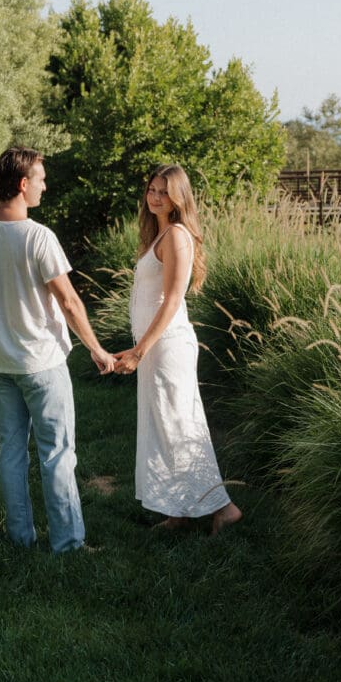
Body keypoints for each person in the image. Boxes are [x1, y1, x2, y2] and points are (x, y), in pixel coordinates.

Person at [0, 146, 115, 554]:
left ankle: (20, 540)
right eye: (41, 179)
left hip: (0, 364)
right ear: (23, 184)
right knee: (57, 453)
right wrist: (97, 349)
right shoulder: (38, 236)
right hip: (41, 364)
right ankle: (68, 544)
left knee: (11, 452)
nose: (45, 186)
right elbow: (70, 301)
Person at [114, 164, 242, 535]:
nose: (155, 198)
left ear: (178, 198)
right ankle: (178, 511)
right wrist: (139, 347)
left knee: (179, 426)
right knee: (162, 427)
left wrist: (139, 351)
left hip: (167, 348)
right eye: (152, 190)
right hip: (155, 347)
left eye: (163, 192)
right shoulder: (160, 233)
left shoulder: (176, 236)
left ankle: (224, 509)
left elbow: (172, 301)